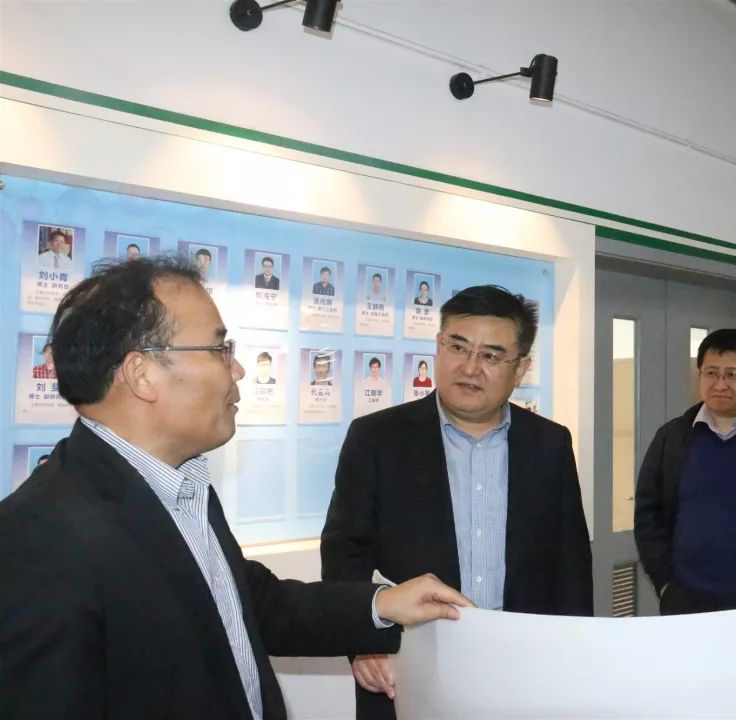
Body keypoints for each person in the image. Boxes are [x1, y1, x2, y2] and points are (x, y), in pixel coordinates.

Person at [0, 256, 472, 720]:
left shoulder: (181, 484)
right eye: (219, 348)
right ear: (142, 373)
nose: (238, 370)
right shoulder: (37, 541)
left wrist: (382, 604)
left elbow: (246, 602)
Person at [322, 284, 592, 720]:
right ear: (438, 346)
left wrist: (574, 658)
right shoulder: (376, 439)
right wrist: (361, 642)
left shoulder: (549, 444)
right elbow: (343, 554)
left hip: (523, 669)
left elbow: (571, 564)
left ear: (521, 368)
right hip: (410, 665)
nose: (469, 367)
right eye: (458, 347)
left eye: (491, 356)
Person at [634, 328, 736, 615]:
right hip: (685, 598)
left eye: (733, 375)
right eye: (711, 373)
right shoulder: (671, 438)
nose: (720, 384)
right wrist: (665, 584)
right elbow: (648, 514)